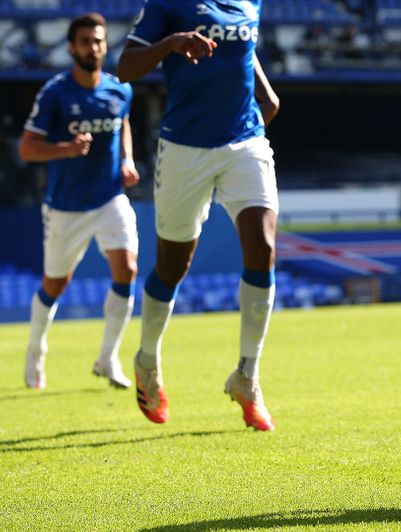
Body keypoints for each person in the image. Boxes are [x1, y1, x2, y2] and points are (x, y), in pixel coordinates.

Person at [117, 0, 281, 430]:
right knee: (173, 266)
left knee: (262, 248)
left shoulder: (250, 3)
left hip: (245, 141)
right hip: (184, 148)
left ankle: (248, 375)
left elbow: (243, 49)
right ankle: (147, 360)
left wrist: (263, 94)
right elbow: (125, 67)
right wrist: (171, 43)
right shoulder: (167, 4)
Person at [20, 13, 139, 390]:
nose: (93, 47)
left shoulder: (120, 90)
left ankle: (108, 358)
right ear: (72, 47)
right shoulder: (55, 93)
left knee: (128, 268)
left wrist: (128, 161)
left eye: (99, 41)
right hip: (65, 207)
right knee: (55, 284)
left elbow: (124, 124)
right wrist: (66, 149)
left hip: (109, 198)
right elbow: (27, 148)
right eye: (85, 41)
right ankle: (35, 350)